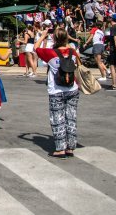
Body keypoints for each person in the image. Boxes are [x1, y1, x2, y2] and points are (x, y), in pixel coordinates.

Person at [36, 27, 80, 158]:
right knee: (71, 116)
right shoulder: (73, 52)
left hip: (56, 90)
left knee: (57, 118)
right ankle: (70, 147)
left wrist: (43, 35)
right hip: (72, 88)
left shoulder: (50, 53)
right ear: (66, 38)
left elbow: (36, 48)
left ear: (54, 39)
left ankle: (60, 148)